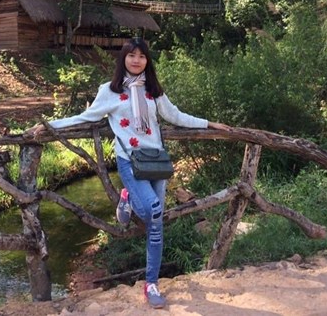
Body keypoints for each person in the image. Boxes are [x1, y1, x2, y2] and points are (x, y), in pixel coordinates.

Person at [29, 37, 228, 309]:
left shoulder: (154, 91)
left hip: (156, 162)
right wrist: (49, 126)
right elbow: (85, 118)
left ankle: (151, 283)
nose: (136, 60)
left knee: (155, 224)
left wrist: (210, 124)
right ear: (123, 58)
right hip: (130, 161)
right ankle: (129, 197)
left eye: (142, 56)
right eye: (131, 55)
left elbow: (176, 116)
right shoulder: (109, 91)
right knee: (153, 209)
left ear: (147, 60)